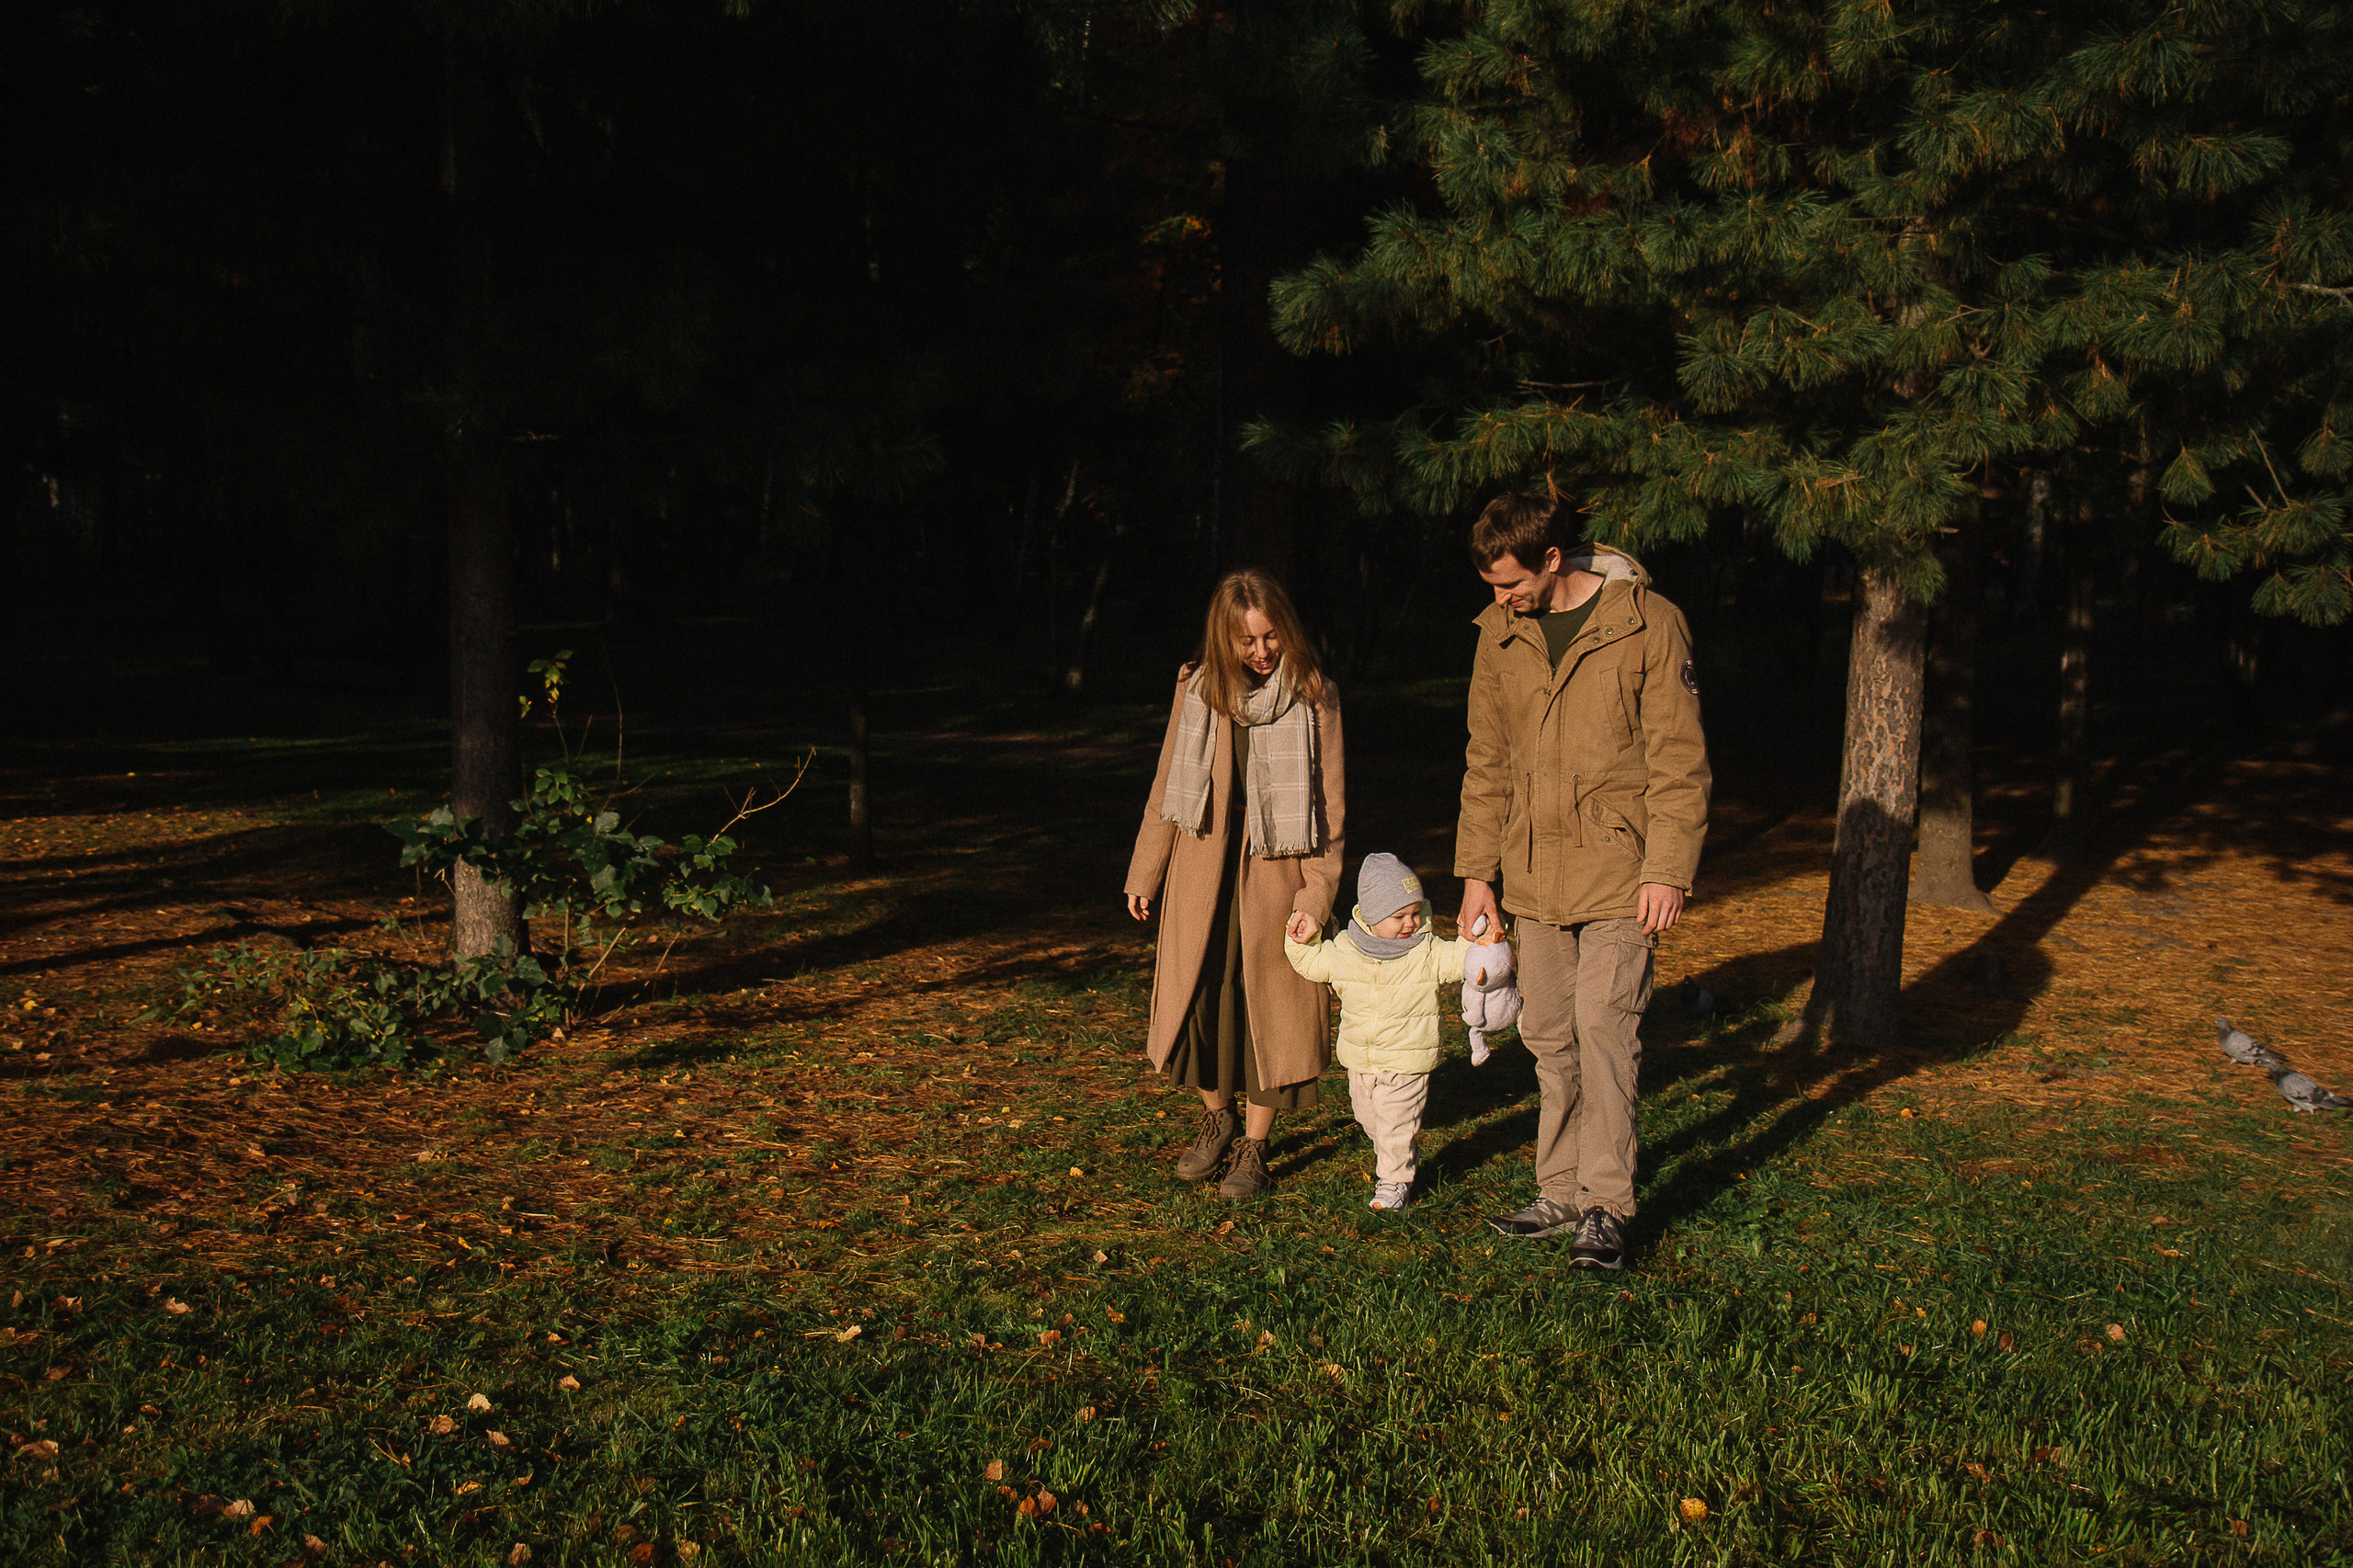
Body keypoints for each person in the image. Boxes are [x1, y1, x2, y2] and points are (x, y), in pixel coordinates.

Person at [1455, 491, 1711, 1267]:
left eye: (1510, 583)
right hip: (1532, 874)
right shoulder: (1499, 635)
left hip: (1620, 872)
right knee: (1548, 1036)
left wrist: (1667, 869)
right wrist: (1476, 874)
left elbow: (1679, 760)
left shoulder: (1649, 624)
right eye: (1491, 586)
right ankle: (1559, 1190)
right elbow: (1486, 761)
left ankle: (1606, 1204)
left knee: (1606, 1029)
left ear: (1552, 559)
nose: (1499, 600)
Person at [1126, 568, 1346, 1200]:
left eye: (1270, 638)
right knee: (1196, 999)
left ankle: (1255, 1145)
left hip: (1277, 875)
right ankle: (1217, 1117)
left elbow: (1330, 813)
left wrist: (1317, 896)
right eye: (1246, 641)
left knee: (1267, 1013)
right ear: (1223, 640)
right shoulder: (1198, 688)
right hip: (1202, 871)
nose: (1260, 653)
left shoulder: (1314, 696)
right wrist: (1146, 871)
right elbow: (1168, 785)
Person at [1283, 851, 1473, 1213]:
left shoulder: (1426, 951)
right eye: (1399, 916)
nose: (1410, 923)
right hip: (1361, 1059)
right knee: (1369, 1118)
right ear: (1370, 917)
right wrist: (1299, 940)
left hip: (1407, 1058)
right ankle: (1395, 1151)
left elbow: (1459, 960)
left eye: (1415, 913)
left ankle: (1394, 1180)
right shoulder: (1345, 951)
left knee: (1395, 1122)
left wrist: (1476, 942)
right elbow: (1312, 962)